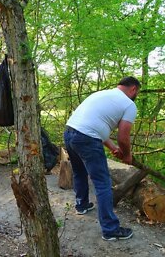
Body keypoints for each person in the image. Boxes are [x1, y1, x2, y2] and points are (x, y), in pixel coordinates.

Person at [63, 76, 140, 241]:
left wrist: (113, 148)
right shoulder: (129, 104)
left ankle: (81, 205)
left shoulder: (102, 95)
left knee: (79, 172)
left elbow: (95, 126)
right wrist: (127, 155)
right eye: (136, 92)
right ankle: (110, 229)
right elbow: (123, 137)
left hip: (70, 132)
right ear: (133, 89)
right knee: (103, 183)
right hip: (87, 138)